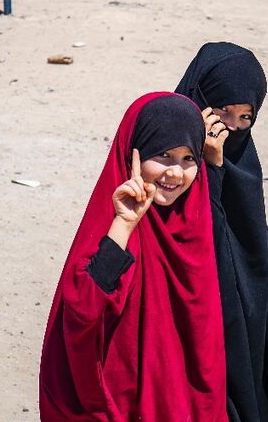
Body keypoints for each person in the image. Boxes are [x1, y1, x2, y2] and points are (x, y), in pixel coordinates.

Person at [39, 92, 227, 421]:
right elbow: (82, 312)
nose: (175, 173)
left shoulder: (194, 228)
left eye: (188, 159)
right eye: (163, 155)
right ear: (132, 154)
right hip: (117, 403)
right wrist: (124, 224)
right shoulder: (112, 223)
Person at [175, 42, 268, 422]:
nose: (235, 127)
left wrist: (219, 168)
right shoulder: (168, 158)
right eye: (224, 112)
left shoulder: (242, 162)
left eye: (246, 118)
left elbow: (249, 248)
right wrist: (207, 170)